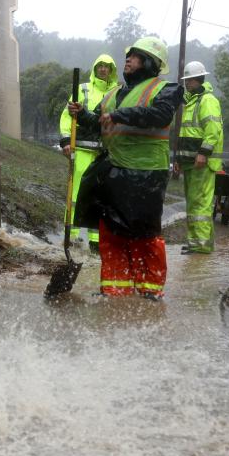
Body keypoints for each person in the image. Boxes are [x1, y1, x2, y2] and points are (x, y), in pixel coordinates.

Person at [67, 36, 183, 300]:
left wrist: (119, 115)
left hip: (146, 175)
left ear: (149, 62)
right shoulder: (113, 94)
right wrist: (82, 114)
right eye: (128, 55)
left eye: (135, 55)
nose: (128, 59)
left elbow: (159, 115)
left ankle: (149, 292)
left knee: (144, 236)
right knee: (111, 234)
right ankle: (115, 290)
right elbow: (99, 123)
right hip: (113, 172)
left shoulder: (166, 89)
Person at [57, 54, 118, 252]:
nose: (103, 69)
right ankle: (71, 238)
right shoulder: (82, 89)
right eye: (99, 65)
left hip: (103, 153)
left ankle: (96, 241)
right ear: (95, 68)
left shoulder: (118, 93)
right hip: (81, 149)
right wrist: (66, 140)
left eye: (107, 66)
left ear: (111, 70)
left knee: (100, 197)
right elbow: (67, 116)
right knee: (75, 194)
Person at [175, 60, 223, 255]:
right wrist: (179, 159)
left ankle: (201, 246)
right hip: (190, 162)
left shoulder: (207, 100)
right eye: (186, 80)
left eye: (190, 80)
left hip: (202, 162)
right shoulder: (191, 101)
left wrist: (203, 153)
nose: (187, 83)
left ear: (199, 79)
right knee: (194, 203)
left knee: (200, 204)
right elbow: (186, 134)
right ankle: (196, 242)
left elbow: (213, 130)